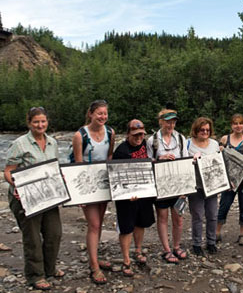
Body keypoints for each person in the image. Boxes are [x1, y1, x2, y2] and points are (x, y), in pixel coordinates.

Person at [4, 107, 64, 290]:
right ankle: (35, 276)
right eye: (36, 122)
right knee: (33, 238)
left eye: (43, 121)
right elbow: (8, 171)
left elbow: (54, 168)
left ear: (47, 122)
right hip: (24, 197)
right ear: (29, 123)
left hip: (48, 195)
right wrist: (17, 186)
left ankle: (50, 268)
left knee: (54, 233)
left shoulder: (53, 142)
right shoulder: (20, 144)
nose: (40, 125)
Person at [72, 100, 115, 284]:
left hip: (103, 183)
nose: (102, 117)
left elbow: (110, 157)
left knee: (100, 222)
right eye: (99, 113)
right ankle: (94, 266)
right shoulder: (80, 135)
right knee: (94, 224)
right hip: (88, 185)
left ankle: (94, 258)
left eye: (105, 114)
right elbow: (78, 165)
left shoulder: (111, 133)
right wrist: (80, 194)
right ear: (90, 114)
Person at [113, 119, 155, 276]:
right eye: (135, 134)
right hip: (127, 197)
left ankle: (138, 250)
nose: (139, 137)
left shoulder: (146, 145)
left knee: (141, 223)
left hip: (144, 193)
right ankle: (126, 260)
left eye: (141, 134)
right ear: (128, 134)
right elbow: (115, 176)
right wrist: (125, 194)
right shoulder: (121, 151)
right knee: (126, 227)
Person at [147, 109, 189, 264]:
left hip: (178, 185)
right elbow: (147, 162)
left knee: (178, 218)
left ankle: (177, 246)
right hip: (161, 185)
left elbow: (186, 162)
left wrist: (185, 188)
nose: (171, 124)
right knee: (163, 218)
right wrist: (160, 158)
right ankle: (166, 250)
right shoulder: (152, 141)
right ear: (161, 121)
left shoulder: (181, 138)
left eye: (173, 121)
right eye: (168, 121)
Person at [216, 114, 243, 245]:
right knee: (224, 205)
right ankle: (217, 232)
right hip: (229, 180)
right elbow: (218, 159)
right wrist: (220, 150)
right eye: (235, 123)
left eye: (240, 123)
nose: (238, 126)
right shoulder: (224, 139)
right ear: (231, 125)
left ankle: (242, 234)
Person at [187, 117, 220, 256]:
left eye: (207, 130)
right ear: (196, 130)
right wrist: (192, 160)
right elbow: (182, 164)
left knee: (212, 214)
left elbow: (220, 164)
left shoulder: (214, 144)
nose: (205, 132)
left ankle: (211, 242)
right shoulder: (188, 144)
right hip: (195, 185)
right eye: (202, 130)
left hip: (212, 186)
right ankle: (196, 244)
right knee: (197, 215)